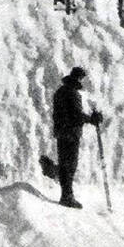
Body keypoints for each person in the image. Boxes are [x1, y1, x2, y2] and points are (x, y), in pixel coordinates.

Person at [48, 67, 102, 209]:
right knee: (70, 165)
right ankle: (67, 196)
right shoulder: (72, 93)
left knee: (65, 163)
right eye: (81, 78)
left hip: (62, 132)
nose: (81, 81)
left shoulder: (60, 92)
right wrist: (92, 119)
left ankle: (65, 193)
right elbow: (76, 116)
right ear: (77, 78)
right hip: (70, 134)